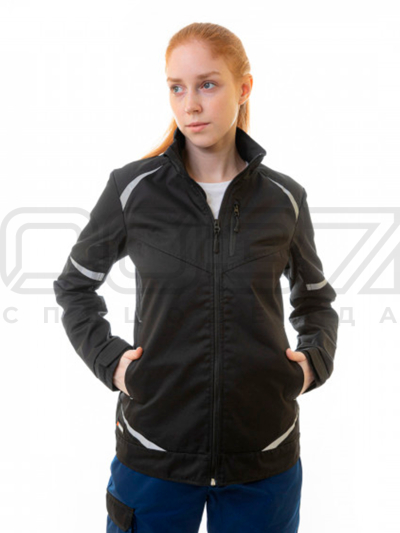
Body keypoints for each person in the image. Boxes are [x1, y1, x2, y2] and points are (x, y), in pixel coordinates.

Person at [53, 22, 339, 533]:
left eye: (207, 84)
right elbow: (74, 285)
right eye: (176, 87)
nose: (190, 105)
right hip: (154, 454)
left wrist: (311, 365)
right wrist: (112, 362)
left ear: (243, 88)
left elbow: (315, 301)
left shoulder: (284, 199)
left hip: (263, 456)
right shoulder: (132, 190)